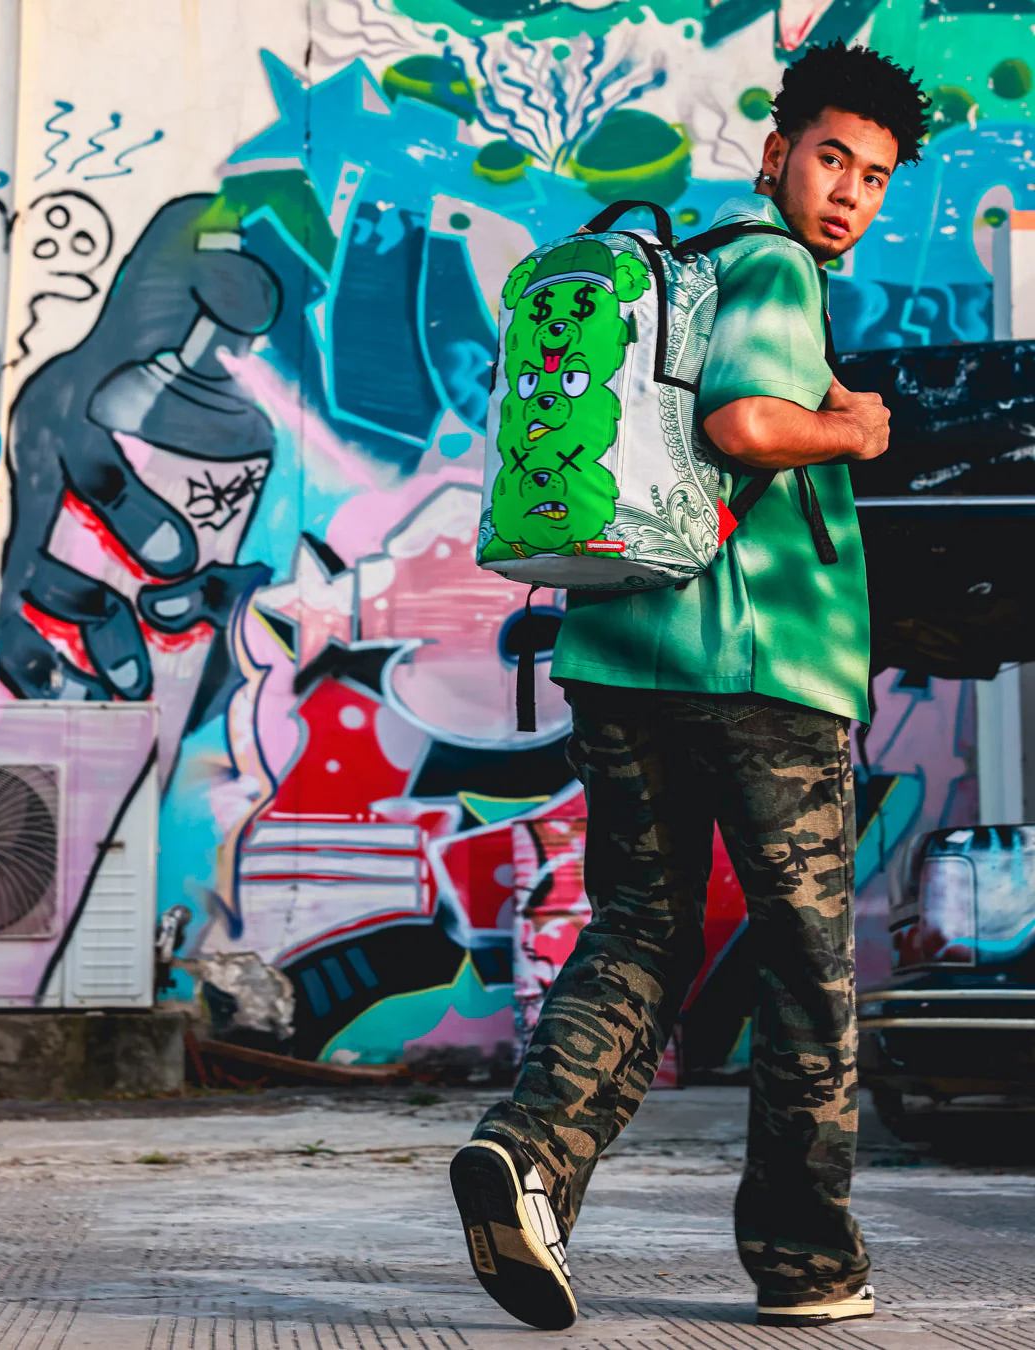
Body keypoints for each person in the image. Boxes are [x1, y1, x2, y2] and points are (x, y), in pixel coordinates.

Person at [450, 40, 931, 1331]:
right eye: (832, 159)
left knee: (638, 929)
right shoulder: (774, 266)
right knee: (807, 970)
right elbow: (743, 425)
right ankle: (806, 1260)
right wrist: (854, 428)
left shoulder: (686, 264)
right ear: (777, 154)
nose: (849, 193)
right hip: (764, 674)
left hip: (619, 660)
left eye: (874, 177)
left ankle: (526, 1156)